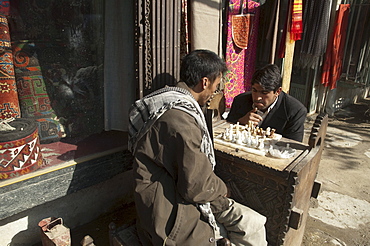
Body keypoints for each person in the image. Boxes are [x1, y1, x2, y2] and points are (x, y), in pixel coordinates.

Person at [128, 49, 267, 246]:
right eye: (216, 87)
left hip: (166, 195)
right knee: (253, 226)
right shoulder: (180, 121)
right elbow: (196, 186)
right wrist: (223, 188)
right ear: (205, 82)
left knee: (250, 221)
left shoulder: (168, 103)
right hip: (168, 216)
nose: (214, 94)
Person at [226, 64, 307, 142]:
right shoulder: (240, 100)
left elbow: (293, 145)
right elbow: (226, 126)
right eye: (254, 90)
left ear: (278, 91)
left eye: (264, 93)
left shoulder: (295, 111)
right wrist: (241, 121)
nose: (257, 97)